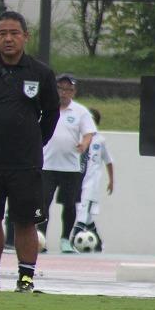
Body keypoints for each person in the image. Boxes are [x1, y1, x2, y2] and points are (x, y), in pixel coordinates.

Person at [0, 10, 59, 293]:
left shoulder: (41, 73)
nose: (8, 39)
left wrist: (33, 141)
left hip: (25, 162)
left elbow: (51, 114)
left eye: (14, 33)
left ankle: (26, 278)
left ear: (25, 37)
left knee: (25, 221)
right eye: (2, 33)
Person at [40, 74, 97, 253]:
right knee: (43, 204)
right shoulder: (44, 107)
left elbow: (89, 133)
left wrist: (84, 144)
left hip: (70, 167)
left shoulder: (80, 112)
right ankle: (40, 239)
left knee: (69, 205)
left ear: (74, 92)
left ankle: (65, 239)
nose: (63, 93)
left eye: (68, 90)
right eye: (60, 88)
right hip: (47, 165)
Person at [73, 107, 113, 250]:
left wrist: (111, 181)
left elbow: (109, 161)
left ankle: (74, 240)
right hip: (79, 180)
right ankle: (98, 244)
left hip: (91, 183)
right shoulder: (79, 138)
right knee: (88, 217)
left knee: (82, 212)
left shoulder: (100, 140)